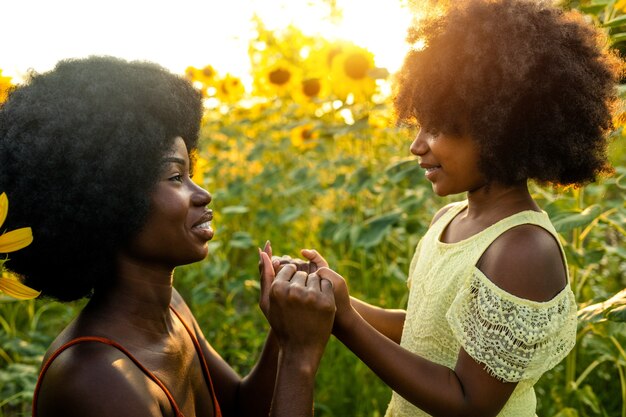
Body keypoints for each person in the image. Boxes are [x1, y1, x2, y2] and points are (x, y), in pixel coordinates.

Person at [272, 0, 623, 416]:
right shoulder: (449, 219)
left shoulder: (522, 250)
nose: (416, 146)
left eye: (436, 128)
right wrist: (328, 298)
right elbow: (427, 332)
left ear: (501, 130)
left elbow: (469, 403)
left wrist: (346, 322)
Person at [0, 56, 335, 417]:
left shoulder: (170, 308)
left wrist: (283, 336)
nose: (202, 194)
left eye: (190, 173)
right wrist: (299, 358)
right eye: (176, 177)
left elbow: (240, 407)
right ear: (110, 201)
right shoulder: (99, 382)